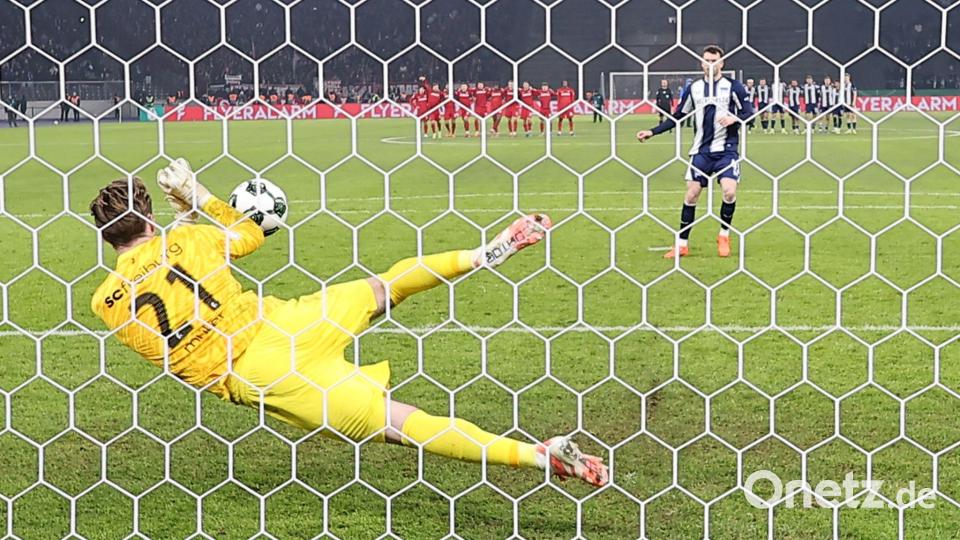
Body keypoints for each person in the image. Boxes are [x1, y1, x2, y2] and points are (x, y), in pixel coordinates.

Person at [88, 161, 609, 488]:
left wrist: (178, 226)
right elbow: (248, 234)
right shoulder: (188, 241)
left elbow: (166, 297)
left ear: (107, 236)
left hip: (254, 374)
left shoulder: (104, 303)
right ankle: (480, 255)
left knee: (401, 424)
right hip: (284, 323)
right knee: (386, 287)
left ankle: (540, 458)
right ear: (149, 219)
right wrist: (198, 199)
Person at [635, 45, 754, 259]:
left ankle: (724, 235)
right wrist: (652, 131)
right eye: (707, 60)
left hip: (726, 150)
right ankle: (682, 245)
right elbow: (679, 115)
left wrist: (734, 119)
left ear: (722, 63)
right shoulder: (694, 88)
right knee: (691, 195)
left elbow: (750, 114)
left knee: (729, 192)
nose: (710, 64)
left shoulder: (734, 87)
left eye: (714, 60)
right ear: (701, 63)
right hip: (700, 151)